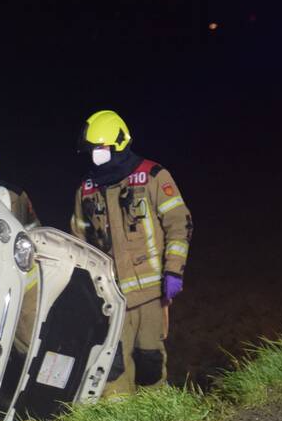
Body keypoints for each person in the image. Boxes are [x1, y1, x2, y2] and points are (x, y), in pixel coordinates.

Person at [70, 109, 193, 397]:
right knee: (112, 370)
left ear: (119, 144)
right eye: (92, 150)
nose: (96, 155)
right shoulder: (86, 189)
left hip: (150, 294)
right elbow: (79, 242)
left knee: (150, 363)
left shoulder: (152, 176)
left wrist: (173, 270)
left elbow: (179, 223)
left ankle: (156, 417)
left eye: (101, 148)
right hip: (110, 299)